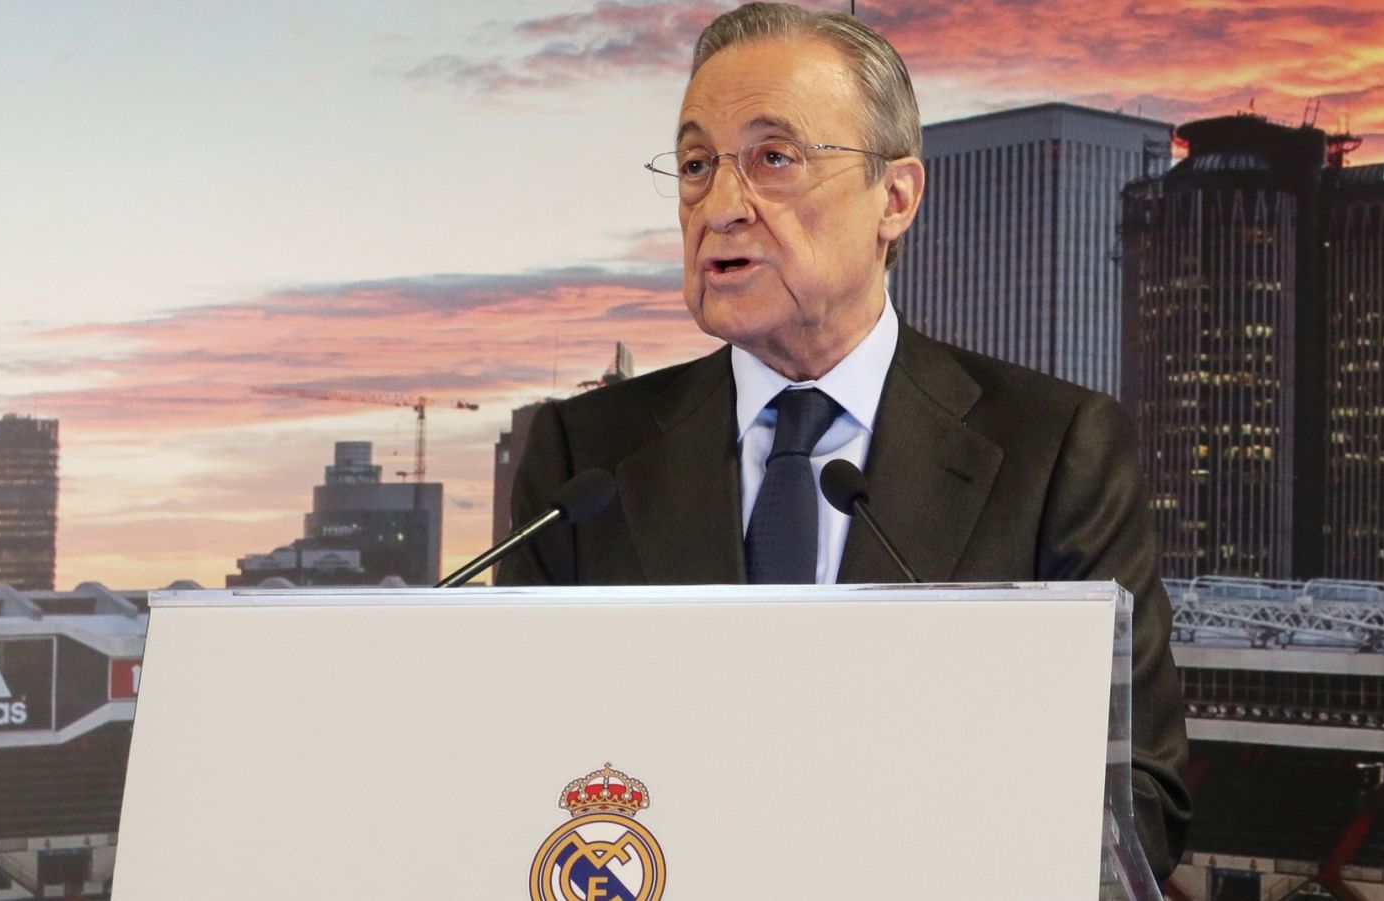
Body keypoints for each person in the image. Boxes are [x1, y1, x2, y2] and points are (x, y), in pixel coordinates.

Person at [497, 1, 1190, 880]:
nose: (720, 205)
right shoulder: (582, 456)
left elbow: (1140, 802)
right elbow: (518, 763)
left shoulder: (1055, 450)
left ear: (893, 198)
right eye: (696, 163)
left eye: (773, 159)